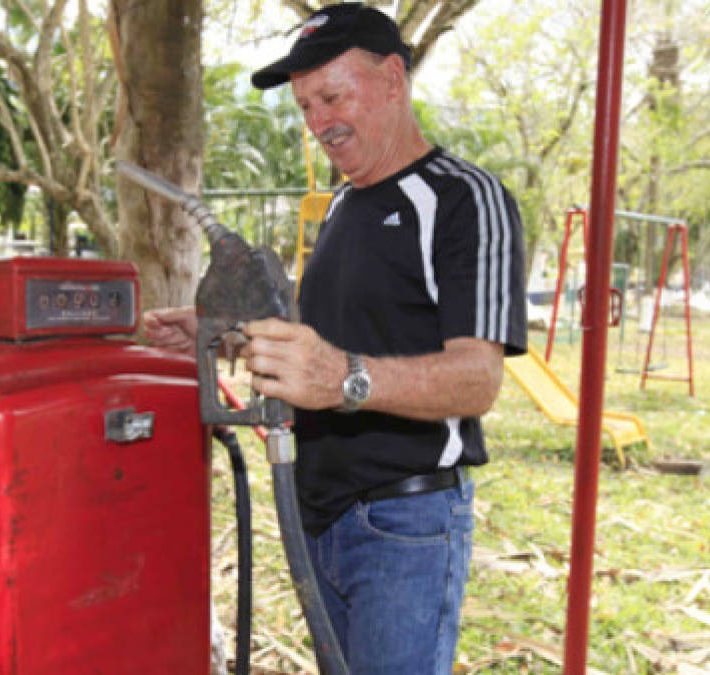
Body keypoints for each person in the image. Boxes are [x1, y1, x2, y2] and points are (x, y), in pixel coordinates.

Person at [142, 3, 526, 672]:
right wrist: (222, 336)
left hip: (403, 522)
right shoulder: (347, 205)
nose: (318, 122)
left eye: (332, 96)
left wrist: (346, 377)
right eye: (305, 106)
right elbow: (325, 340)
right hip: (320, 512)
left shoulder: (463, 199)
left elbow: (479, 378)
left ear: (393, 79)